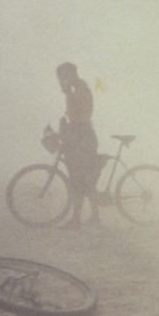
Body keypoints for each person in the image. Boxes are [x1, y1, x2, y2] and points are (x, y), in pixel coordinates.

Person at [55, 62, 100, 228]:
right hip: (81, 137)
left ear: (70, 75)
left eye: (63, 77)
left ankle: (76, 220)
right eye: (60, 78)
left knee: (79, 179)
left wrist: (67, 128)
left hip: (81, 139)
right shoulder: (77, 88)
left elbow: (81, 115)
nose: (61, 81)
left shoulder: (78, 89)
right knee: (87, 180)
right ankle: (93, 218)